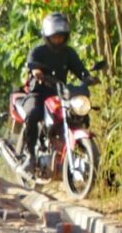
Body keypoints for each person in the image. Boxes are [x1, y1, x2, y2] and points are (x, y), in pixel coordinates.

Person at [17, 12, 93, 173]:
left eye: (61, 36)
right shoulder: (38, 51)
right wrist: (37, 72)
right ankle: (30, 155)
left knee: (80, 115)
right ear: (47, 36)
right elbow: (32, 64)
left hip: (59, 94)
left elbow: (80, 69)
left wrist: (88, 77)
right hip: (39, 92)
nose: (58, 40)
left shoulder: (69, 53)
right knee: (33, 113)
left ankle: (79, 155)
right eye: (54, 37)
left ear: (66, 36)